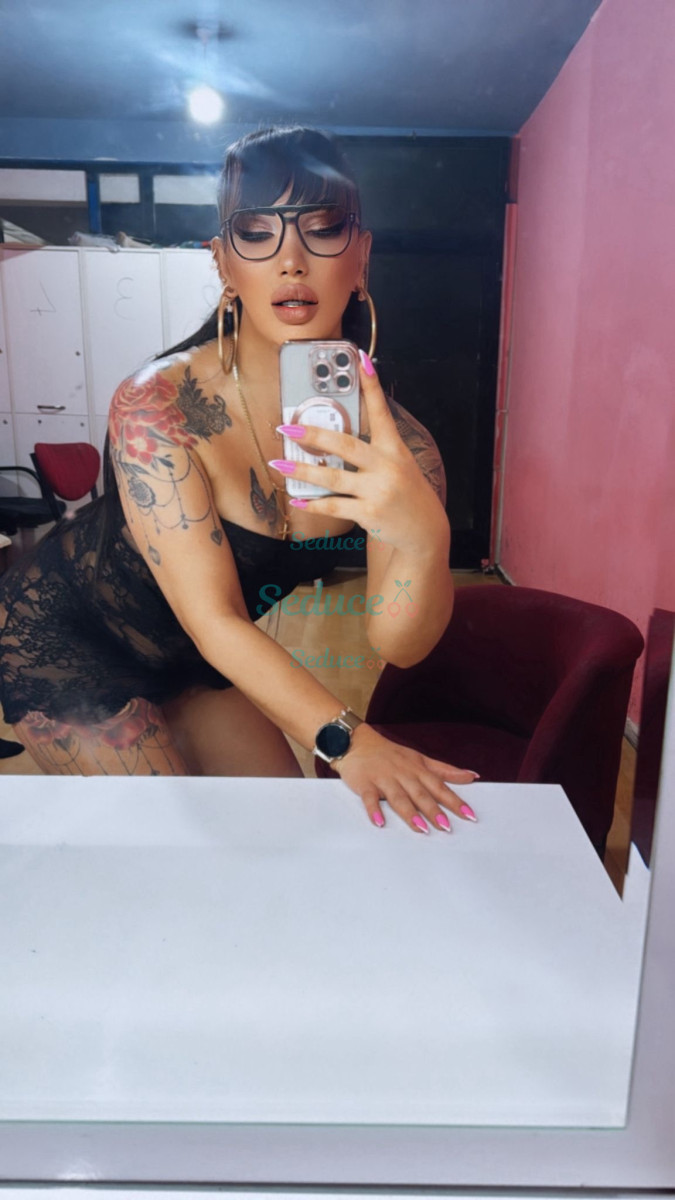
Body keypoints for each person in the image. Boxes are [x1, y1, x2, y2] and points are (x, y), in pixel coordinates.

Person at [0, 125, 478, 833]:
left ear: (362, 256)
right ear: (224, 262)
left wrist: (422, 537)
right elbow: (215, 617)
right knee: (170, 856)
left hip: (196, 656)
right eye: (256, 233)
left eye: (322, 229)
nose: (290, 259)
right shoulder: (157, 405)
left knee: (285, 835)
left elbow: (396, 643)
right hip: (70, 638)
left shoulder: (403, 450)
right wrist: (350, 740)